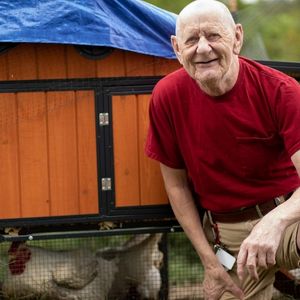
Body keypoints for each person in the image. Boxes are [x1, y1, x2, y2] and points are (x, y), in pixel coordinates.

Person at [145, 0, 300, 299]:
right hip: (227, 239)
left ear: (237, 38)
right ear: (177, 48)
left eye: (214, 36)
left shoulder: (282, 91)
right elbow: (175, 185)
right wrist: (210, 263)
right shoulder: (166, 97)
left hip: (289, 220)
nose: (203, 48)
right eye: (192, 40)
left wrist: (274, 222)